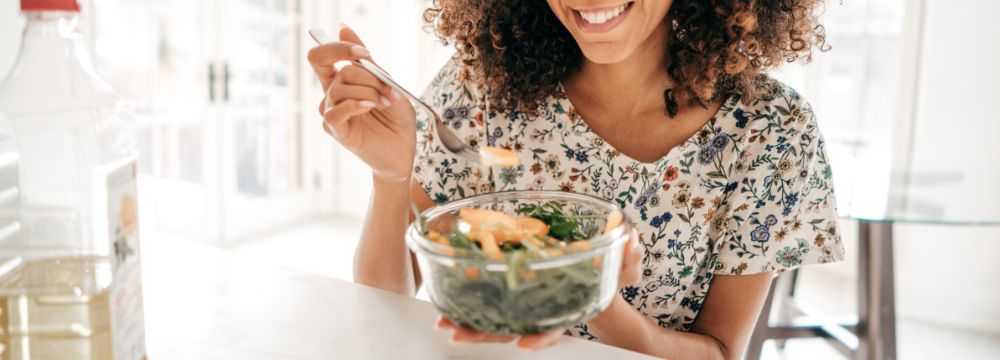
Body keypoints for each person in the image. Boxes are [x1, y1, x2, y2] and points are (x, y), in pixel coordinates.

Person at [307, 0, 844, 358]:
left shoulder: (771, 130)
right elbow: (386, 297)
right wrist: (389, 175)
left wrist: (597, 301)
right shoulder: (478, 88)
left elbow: (721, 352)